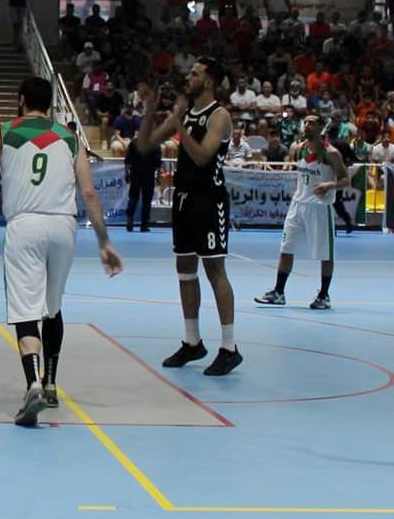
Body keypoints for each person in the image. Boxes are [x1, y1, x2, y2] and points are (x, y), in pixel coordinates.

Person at [0, 76, 122, 425]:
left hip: (25, 226)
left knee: (26, 310)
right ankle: (52, 382)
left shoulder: (4, 132)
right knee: (52, 308)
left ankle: (33, 383)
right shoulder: (69, 137)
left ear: (21, 100)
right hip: (63, 227)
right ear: (50, 103)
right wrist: (104, 243)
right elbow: (89, 195)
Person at [137, 59, 242, 376]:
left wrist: (178, 123)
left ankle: (229, 347)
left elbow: (202, 156)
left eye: (195, 73)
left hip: (209, 200)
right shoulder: (186, 114)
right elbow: (145, 144)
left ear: (208, 81)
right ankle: (192, 341)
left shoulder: (219, 116)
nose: (188, 76)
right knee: (185, 269)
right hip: (183, 199)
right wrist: (151, 110)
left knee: (215, 270)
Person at [254, 114, 348, 310]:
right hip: (298, 205)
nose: (306, 125)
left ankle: (324, 295)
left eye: (312, 123)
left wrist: (330, 184)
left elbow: (345, 180)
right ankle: (278, 292)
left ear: (321, 127)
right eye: (305, 122)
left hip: (319, 208)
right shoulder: (298, 149)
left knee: (325, 254)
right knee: (286, 247)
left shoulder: (331, 153)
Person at [124, 134, 160, 233]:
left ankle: (129, 220)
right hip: (149, 174)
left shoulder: (134, 142)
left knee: (133, 198)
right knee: (147, 201)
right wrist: (159, 176)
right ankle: (144, 225)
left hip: (135, 173)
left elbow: (127, 160)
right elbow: (158, 163)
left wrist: (126, 173)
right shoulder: (155, 143)